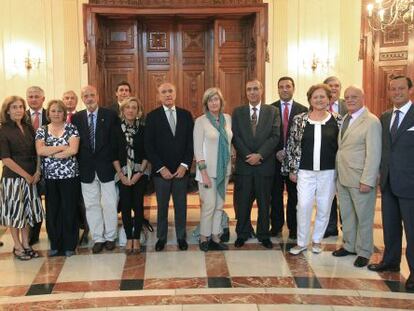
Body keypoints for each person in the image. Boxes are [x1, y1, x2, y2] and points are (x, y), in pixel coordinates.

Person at [368, 76, 414, 291]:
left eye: (401, 89)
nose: (396, 92)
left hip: (410, 184)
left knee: (412, 231)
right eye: (393, 89)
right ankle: (391, 261)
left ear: (410, 90)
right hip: (388, 183)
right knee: (391, 227)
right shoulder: (385, 117)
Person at [283, 84, 341, 255]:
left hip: (329, 172)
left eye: (322, 96)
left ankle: (317, 241)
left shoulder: (338, 119)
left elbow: (341, 147)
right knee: (303, 205)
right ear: (310, 99)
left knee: (324, 207)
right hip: (305, 172)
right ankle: (301, 242)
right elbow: (292, 145)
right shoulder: (300, 119)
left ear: (329, 99)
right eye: (315, 97)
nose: (319, 100)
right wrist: (292, 170)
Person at [332, 86, 381, 268]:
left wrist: (367, 180)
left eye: (354, 97)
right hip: (344, 177)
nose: (350, 100)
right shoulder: (346, 118)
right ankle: (349, 245)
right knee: (347, 215)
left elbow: (374, 153)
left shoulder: (371, 121)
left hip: (360, 179)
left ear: (363, 98)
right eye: (347, 97)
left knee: (364, 217)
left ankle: (364, 251)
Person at [145, 82, 194, 252]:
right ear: (159, 96)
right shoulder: (152, 117)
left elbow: (190, 143)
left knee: (181, 205)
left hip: (181, 171)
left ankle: (181, 237)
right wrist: (160, 167)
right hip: (161, 173)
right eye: (164, 92)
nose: (167, 94)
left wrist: (184, 165)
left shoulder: (186, 115)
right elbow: (149, 146)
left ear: (175, 93)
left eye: (170, 91)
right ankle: (162, 237)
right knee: (162, 207)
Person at [232, 79, 280, 249]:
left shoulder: (273, 111)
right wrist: (248, 155)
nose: (252, 92)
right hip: (245, 166)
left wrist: (260, 155)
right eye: (249, 89)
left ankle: (263, 234)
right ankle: (242, 233)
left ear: (262, 91)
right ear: (246, 92)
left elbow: (275, 136)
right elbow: (236, 137)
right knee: (243, 202)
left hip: (264, 165)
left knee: (264, 202)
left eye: (255, 89)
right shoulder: (237, 112)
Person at [72, 85, 119, 254]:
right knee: (91, 205)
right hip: (86, 169)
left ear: (97, 96)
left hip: (107, 167)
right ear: (82, 98)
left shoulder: (110, 115)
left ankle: (110, 237)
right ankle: (98, 238)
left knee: (109, 203)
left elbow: (115, 143)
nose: (89, 98)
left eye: (92, 95)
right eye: (86, 95)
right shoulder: (76, 118)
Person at [35, 100, 80, 257]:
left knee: (69, 209)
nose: (56, 114)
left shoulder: (72, 128)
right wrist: (62, 147)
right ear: (49, 113)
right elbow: (40, 151)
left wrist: (51, 152)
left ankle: (69, 245)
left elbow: (73, 150)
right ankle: (55, 244)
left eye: (59, 111)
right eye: (53, 111)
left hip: (70, 176)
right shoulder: (42, 130)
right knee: (53, 211)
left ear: (64, 113)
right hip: (50, 177)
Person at [0, 96, 43, 260]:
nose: (18, 110)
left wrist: (37, 172)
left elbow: (38, 151)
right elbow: (6, 159)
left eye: (20, 107)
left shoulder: (28, 127)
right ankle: (17, 246)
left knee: (27, 213)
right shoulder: (3, 129)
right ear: (7, 110)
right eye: (14, 107)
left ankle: (26, 244)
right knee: (15, 214)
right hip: (13, 179)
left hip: (31, 177)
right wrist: (25, 175)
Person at [194, 87, 232, 252]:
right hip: (207, 172)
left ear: (221, 102)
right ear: (206, 103)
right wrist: (204, 174)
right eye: (210, 100)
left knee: (219, 205)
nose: (214, 102)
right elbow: (198, 150)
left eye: (216, 99)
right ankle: (204, 237)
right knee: (209, 205)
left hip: (224, 170)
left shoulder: (227, 119)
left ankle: (216, 236)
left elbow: (229, 143)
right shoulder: (201, 121)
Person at [270, 77, 307, 239]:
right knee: (275, 195)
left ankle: (293, 227)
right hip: (274, 159)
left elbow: (305, 137)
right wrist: (277, 150)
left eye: (288, 86)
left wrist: (291, 153)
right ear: (277, 89)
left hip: (295, 162)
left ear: (293, 88)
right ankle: (276, 226)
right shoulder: (270, 109)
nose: (284, 89)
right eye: (281, 87)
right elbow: (267, 135)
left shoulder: (304, 109)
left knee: (294, 195)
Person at [113, 97, 148, 254]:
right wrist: (121, 174)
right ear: (123, 110)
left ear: (138, 111)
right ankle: (128, 238)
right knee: (126, 207)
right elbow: (113, 154)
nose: (131, 110)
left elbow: (147, 154)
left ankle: (136, 238)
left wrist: (138, 174)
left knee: (138, 206)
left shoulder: (143, 129)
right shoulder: (116, 129)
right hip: (122, 173)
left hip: (139, 173)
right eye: (128, 107)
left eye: (134, 107)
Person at [62, 90, 89, 245]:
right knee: (68, 201)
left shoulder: (79, 118)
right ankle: (70, 231)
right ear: (62, 100)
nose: (70, 100)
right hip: (62, 167)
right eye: (67, 98)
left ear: (77, 101)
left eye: (72, 98)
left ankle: (85, 229)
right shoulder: (55, 119)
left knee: (82, 201)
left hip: (81, 164)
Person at [323, 76, 347, 239]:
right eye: (330, 86)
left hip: (346, 159)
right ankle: (330, 226)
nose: (333, 88)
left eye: (336, 85)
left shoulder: (349, 104)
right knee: (328, 194)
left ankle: (348, 226)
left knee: (345, 194)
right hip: (326, 158)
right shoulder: (318, 104)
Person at [26, 86, 48, 246]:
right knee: (31, 201)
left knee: (52, 201)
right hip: (27, 167)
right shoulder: (21, 116)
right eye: (30, 96)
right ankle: (32, 235)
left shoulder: (52, 114)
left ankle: (54, 232)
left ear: (43, 99)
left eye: (36, 96)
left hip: (49, 166)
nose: (33, 99)